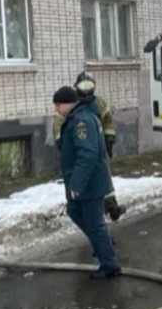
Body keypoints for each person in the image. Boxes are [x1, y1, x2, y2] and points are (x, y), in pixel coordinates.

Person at [54, 85, 120, 280]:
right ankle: (104, 243)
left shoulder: (82, 121)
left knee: (94, 223)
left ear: (68, 103)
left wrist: (77, 185)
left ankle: (109, 265)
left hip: (88, 185)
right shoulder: (76, 118)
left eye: (58, 105)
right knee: (74, 212)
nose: (57, 109)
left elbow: (88, 155)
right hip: (81, 183)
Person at [52, 72, 124, 222]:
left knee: (103, 175)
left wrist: (109, 139)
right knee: (84, 177)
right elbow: (59, 125)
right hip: (80, 150)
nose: (85, 90)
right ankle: (85, 209)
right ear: (76, 87)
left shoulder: (99, 103)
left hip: (99, 147)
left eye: (89, 86)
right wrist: (63, 145)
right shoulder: (71, 105)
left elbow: (108, 121)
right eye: (82, 86)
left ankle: (111, 206)